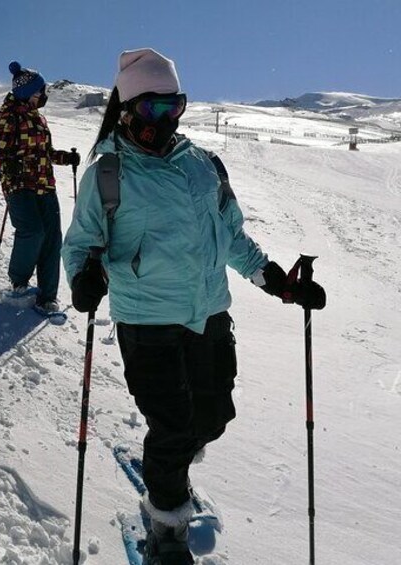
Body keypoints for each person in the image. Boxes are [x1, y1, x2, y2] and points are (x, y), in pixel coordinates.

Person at [61, 48, 326, 565]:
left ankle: (170, 465)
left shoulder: (203, 164)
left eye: (174, 106)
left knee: (214, 415)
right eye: (153, 110)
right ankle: (166, 530)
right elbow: (81, 244)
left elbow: (231, 237)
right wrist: (84, 277)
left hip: (209, 315)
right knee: (175, 426)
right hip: (147, 320)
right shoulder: (108, 172)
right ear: (128, 109)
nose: (165, 120)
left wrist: (278, 282)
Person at [0, 61, 80, 315]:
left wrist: (65, 158)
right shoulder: (10, 118)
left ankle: (47, 296)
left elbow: (45, 153)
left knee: (52, 239)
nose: (44, 96)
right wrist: (7, 168)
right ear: (28, 94)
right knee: (32, 231)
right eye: (40, 92)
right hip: (20, 186)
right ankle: (19, 282)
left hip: (45, 186)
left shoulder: (39, 119)